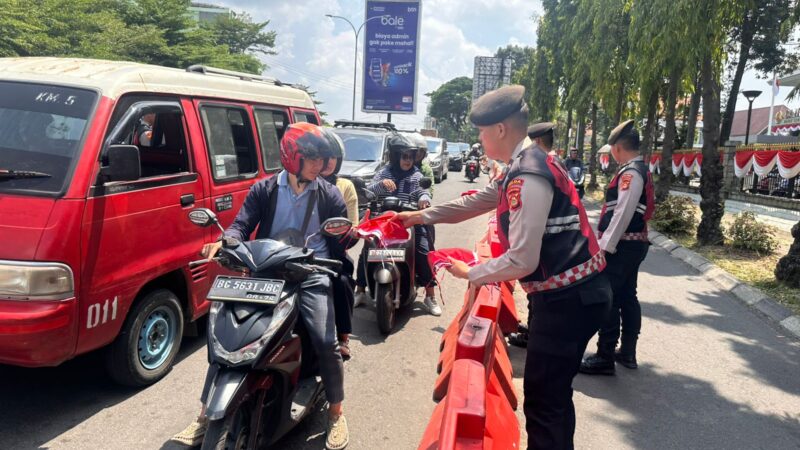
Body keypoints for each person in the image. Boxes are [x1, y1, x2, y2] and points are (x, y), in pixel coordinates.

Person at [394, 85, 612, 450]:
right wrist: (418, 216)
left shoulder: (527, 174)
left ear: (499, 130)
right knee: (554, 399)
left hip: (567, 302)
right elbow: (480, 200)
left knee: (544, 403)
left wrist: (472, 273)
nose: (479, 139)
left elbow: (522, 259)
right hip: (571, 296)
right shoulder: (527, 164)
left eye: (481, 131)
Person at [171, 122, 350, 450]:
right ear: (293, 156)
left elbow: (341, 242)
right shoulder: (264, 189)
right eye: (313, 158)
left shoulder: (330, 193)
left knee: (325, 342)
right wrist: (227, 241)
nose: (320, 165)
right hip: (266, 271)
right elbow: (241, 225)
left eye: (322, 159)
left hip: (310, 274)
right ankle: (203, 417)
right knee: (228, 339)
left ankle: (336, 413)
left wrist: (348, 236)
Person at [580, 120, 654, 375]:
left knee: (609, 298)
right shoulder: (637, 169)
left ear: (617, 148)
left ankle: (605, 356)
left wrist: (604, 249)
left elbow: (622, 213)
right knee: (626, 297)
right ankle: (627, 352)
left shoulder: (631, 173)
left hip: (623, 247)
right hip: (632, 245)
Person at [354, 132, 441, 316]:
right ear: (395, 156)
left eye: (410, 156)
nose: (408, 160)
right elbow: (368, 191)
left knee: (423, 251)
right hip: (385, 220)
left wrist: (424, 199)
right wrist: (382, 185)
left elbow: (422, 192)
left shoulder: (416, 175)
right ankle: (360, 290)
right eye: (404, 156)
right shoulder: (384, 172)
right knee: (367, 250)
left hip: (409, 220)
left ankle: (430, 295)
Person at [320, 128, 358, 361]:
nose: (327, 162)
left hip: (333, 253)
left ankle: (343, 337)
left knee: (343, 282)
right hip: (297, 249)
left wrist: (347, 234)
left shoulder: (343, 187)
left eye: (333, 157)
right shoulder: (295, 184)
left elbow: (351, 225)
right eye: (322, 156)